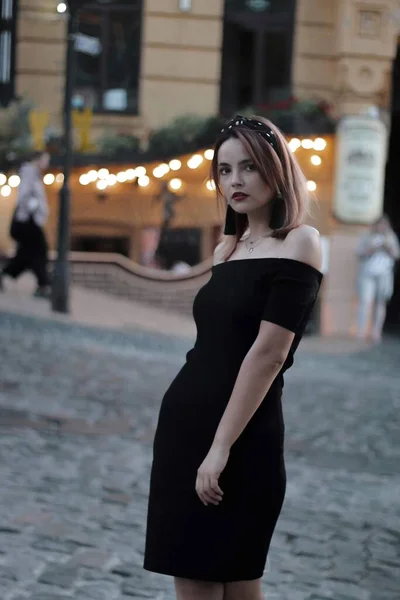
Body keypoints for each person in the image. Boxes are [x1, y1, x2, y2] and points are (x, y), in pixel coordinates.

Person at [144, 115, 323, 600]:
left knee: (227, 575)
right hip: (187, 426)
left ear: (276, 170)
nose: (234, 181)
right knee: (207, 575)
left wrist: (221, 447)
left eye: (248, 167)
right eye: (224, 171)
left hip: (241, 435)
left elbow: (268, 354)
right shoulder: (228, 248)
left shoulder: (301, 242)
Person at [0, 151, 51, 298]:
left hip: (28, 221)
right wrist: (33, 208)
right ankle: (44, 285)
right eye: (45, 159)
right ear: (37, 159)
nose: (47, 163)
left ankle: (7, 274)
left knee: (26, 254)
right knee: (40, 251)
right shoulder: (29, 173)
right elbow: (24, 196)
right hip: (27, 222)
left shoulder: (33, 174)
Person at [356, 215, 400, 343]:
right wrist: (372, 248)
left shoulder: (391, 237)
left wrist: (387, 246)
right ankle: (361, 331)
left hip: (384, 274)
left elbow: (396, 255)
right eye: (379, 224)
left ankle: (376, 332)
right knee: (365, 301)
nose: (381, 227)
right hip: (367, 273)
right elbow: (359, 252)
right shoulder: (367, 235)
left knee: (380, 302)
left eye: (384, 225)